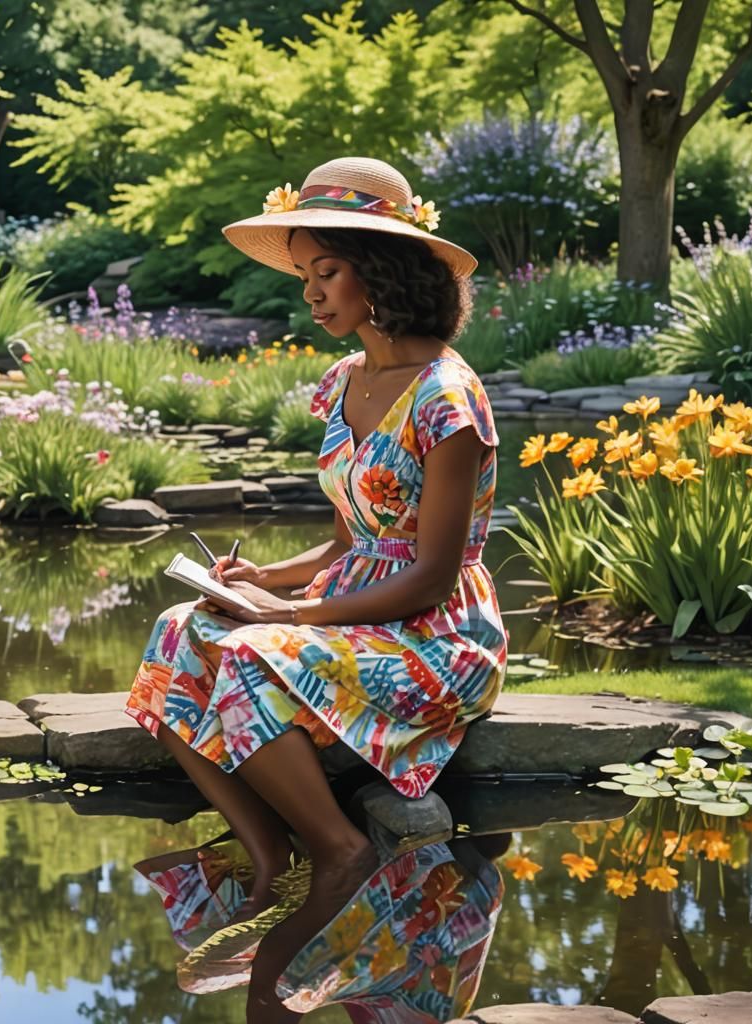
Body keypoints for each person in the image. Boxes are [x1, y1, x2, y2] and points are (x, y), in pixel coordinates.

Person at [125, 156, 507, 974]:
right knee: (176, 633)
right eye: (305, 274)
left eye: (325, 271)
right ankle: (268, 851)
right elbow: (346, 542)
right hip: (353, 601)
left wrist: (288, 618)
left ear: (382, 270)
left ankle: (338, 850)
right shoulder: (344, 380)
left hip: (436, 633)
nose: (310, 293)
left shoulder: (449, 398)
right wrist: (263, 578)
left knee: (250, 657)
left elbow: (432, 574)